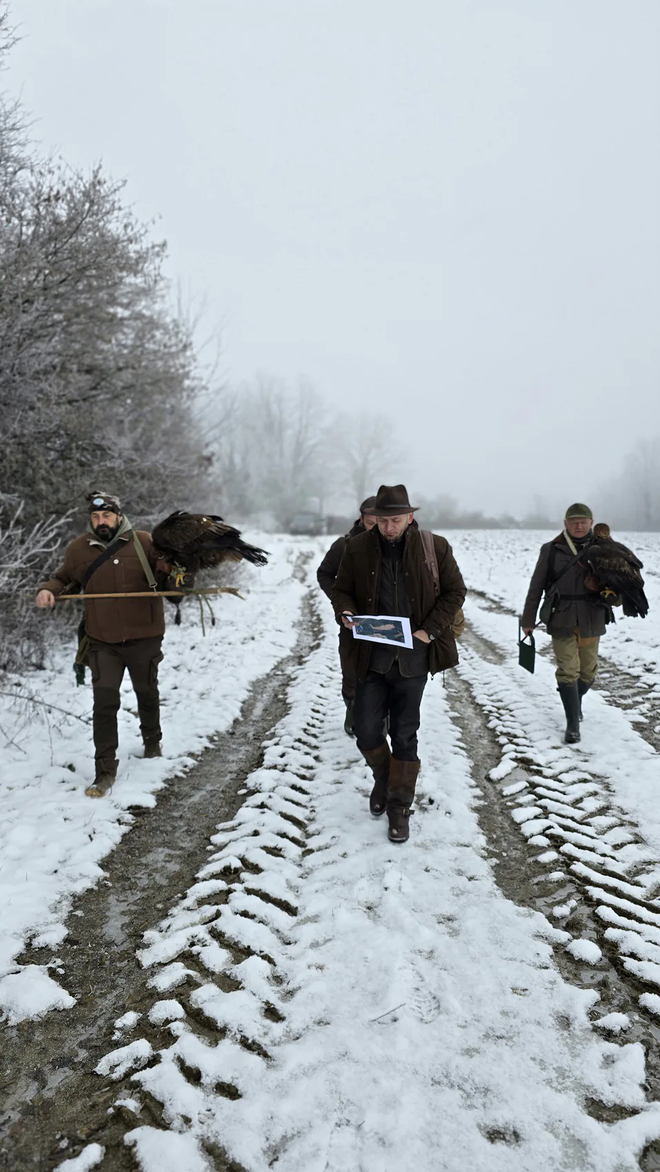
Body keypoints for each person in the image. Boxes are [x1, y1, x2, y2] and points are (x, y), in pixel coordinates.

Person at [331, 484, 466, 844]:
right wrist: (345, 611)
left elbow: (456, 591)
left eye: (395, 520)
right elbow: (340, 588)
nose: (388, 527)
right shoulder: (356, 548)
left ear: (410, 517)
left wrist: (429, 631)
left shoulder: (433, 547)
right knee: (366, 729)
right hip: (370, 657)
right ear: (372, 519)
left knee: (405, 733)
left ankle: (399, 807)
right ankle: (385, 779)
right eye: (382, 520)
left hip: (412, 659)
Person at [36, 491, 180, 797]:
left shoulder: (145, 543)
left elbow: (173, 586)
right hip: (102, 642)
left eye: (107, 516)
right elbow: (61, 578)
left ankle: (152, 743)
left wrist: (179, 575)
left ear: (118, 516)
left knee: (146, 693)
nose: (101, 521)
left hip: (145, 638)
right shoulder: (78, 550)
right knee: (104, 705)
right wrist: (49, 590)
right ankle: (104, 771)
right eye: (96, 517)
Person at [521, 502, 607, 744]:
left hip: (592, 615)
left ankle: (574, 703)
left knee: (588, 672)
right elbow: (536, 586)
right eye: (573, 521)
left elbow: (619, 584)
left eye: (583, 521)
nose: (578, 525)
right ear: (565, 524)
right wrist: (528, 620)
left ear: (591, 523)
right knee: (568, 669)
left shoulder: (603, 550)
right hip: (562, 616)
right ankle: (572, 724)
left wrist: (617, 597)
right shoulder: (551, 550)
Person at [317, 496, 377, 734]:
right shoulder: (344, 545)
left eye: (380, 521)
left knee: (385, 676)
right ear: (361, 519)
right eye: (371, 522)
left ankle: (381, 720)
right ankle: (352, 711)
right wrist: (342, 602)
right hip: (353, 624)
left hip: (386, 625)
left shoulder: (396, 545)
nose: (376, 528)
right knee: (352, 673)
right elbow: (324, 574)